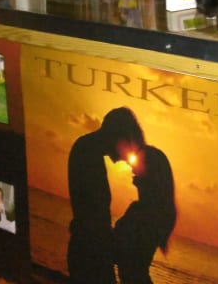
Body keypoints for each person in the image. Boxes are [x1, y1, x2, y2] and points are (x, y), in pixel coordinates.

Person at [66, 107, 146, 284]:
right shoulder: (87, 153)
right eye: (127, 148)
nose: (125, 159)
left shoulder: (87, 150)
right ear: (118, 137)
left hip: (89, 251)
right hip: (90, 255)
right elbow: (91, 216)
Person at [113, 145, 177, 284]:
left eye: (139, 162)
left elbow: (118, 252)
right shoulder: (152, 211)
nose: (132, 167)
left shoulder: (142, 212)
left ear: (151, 173)